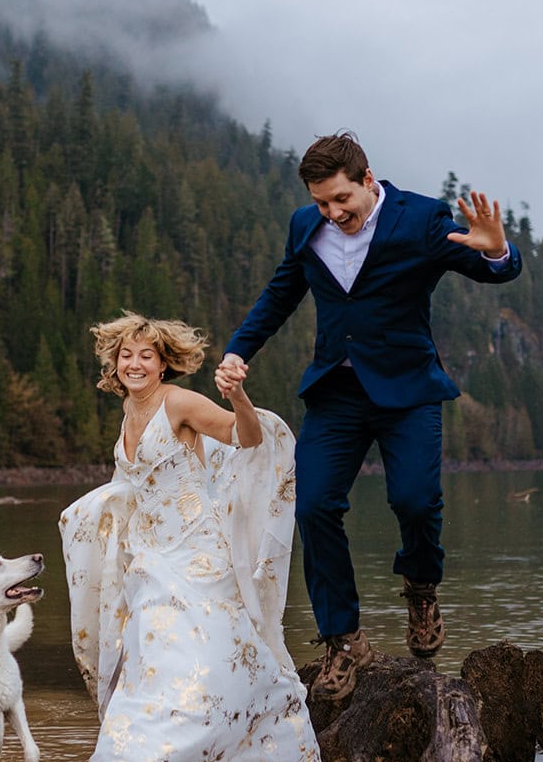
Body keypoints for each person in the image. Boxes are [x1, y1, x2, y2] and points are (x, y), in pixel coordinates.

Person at [218, 132, 523, 701]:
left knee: (414, 500)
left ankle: (421, 586)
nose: (334, 213)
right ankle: (342, 640)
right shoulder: (305, 227)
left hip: (408, 390)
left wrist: (496, 250)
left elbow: (496, 272)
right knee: (313, 505)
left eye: (342, 200)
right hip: (336, 390)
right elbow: (281, 293)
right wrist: (240, 349)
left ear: (367, 180)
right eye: (322, 203)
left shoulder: (422, 219)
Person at [59, 312, 322, 762]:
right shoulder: (128, 413)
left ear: (163, 366)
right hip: (151, 556)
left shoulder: (177, 402)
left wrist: (239, 398)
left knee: (210, 657)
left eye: (146, 357)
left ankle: (227, 760)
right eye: (126, 356)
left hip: (200, 552)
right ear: (115, 365)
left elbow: (247, 439)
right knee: (153, 661)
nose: (134, 364)